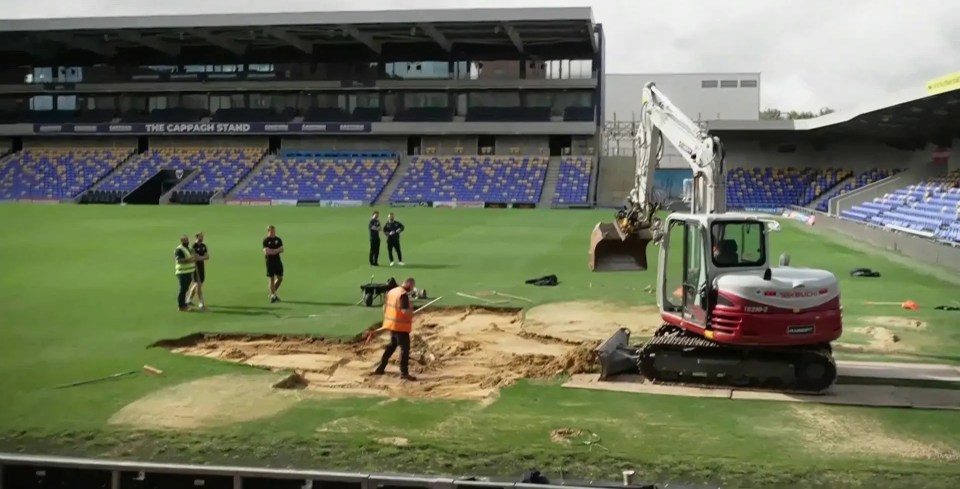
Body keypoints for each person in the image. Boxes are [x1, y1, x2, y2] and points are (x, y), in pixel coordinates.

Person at [371, 277, 417, 381]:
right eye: (412, 286)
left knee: (391, 346)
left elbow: (384, 308)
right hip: (400, 327)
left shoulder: (392, 292)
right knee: (405, 349)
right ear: (409, 285)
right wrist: (411, 313)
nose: (412, 289)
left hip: (392, 325)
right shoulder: (403, 294)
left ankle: (381, 367)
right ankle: (404, 372)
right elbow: (405, 311)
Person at [174, 234, 197, 312]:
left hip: (189, 272)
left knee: (186, 289)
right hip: (182, 272)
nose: (187, 241)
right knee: (183, 289)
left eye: (187, 240)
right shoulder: (179, 249)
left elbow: (193, 256)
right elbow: (179, 260)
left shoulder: (189, 248)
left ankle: (184, 304)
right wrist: (189, 259)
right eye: (185, 240)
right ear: (181, 241)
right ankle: (181, 306)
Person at [263, 225, 285, 303]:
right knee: (271, 278)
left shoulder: (278, 239)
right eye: (271, 231)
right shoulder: (266, 240)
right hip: (269, 262)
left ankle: (273, 293)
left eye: (274, 231)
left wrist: (273, 251)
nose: (273, 232)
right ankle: (273, 295)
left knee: (280, 278)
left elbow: (282, 249)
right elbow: (266, 252)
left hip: (277, 261)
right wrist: (276, 250)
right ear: (268, 231)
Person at [188, 232, 209, 310]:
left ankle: (188, 300)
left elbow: (207, 256)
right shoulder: (193, 246)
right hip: (195, 267)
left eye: (203, 236)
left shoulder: (203, 246)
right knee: (198, 284)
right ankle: (200, 302)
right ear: (197, 237)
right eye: (201, 236)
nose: (202, 238)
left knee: (198, 284)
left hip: (201, 267)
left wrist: (200, 258)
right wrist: (202, 257)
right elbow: (194, 257)